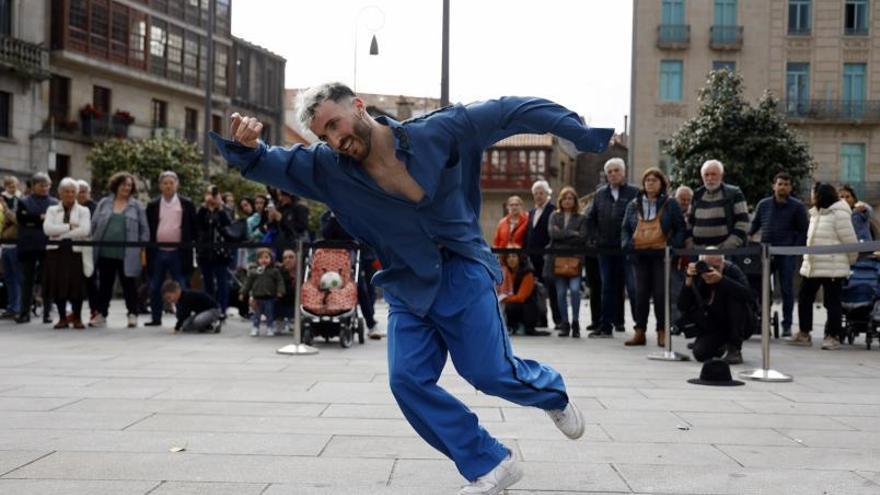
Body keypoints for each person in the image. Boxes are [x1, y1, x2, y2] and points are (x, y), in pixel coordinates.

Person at [210, 82, 613, 493]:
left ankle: (552, 393)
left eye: (335, 123)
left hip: (462, 270)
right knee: (406, 380)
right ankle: (489, 461)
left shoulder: (441, 131)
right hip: (406, 284)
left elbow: (511, 110)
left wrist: (576, 131)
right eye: (324, 135)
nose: (334, 139)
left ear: (360, 107)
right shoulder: (327, 168)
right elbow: (272, 161)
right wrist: (247, 148)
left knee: (487, 372)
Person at [621, 168, 686, 347]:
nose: (650, 183)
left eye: (654, 180)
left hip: (661, 255)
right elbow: (625, 227)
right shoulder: (634, 204)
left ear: (661, 183)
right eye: (647, 180)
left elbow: (681, 227)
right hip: (640, 255)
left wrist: (672, 247)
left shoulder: (670, 204)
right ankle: (639, 332)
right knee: (640, 294)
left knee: (660, 294)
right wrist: (627, 245)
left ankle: (662, 332)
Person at [789, 183, 858, 350]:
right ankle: (804, 333)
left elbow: (850, 241)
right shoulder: (815, 214)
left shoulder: (839, 214)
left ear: (821, 195)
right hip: (813, 265)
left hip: (833, 266)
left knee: (832, 302)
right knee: (804, 297)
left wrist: (849, 261)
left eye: (814, 194)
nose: (811, 197)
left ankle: (832, 336)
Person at [748, 172, 809, 337]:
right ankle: (763, 322)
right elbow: (754, 225)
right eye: (780, 184)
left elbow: (803, 231)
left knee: (787, 289)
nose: (783, 187)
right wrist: (747, 238)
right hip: (765, 254)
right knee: (763, 289)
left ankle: (787, 325)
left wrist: (794, 249)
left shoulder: (797, 206)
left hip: (786, 253)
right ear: (773, 186)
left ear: (790, 187)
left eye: (786, 184)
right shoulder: (763, 204)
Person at [585, 158, 638, 338]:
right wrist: (594, 238)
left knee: (631, 286)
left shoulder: (634, 192)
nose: (613, 174)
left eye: (616, 171)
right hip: (605, 248)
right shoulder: (600, 194)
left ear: (623, 172)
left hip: (627, 248)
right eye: (610, 172)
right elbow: (590, 218)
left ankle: (639, 327)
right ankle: (606, 326)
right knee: (607, 286)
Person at [91, 172, 149, 328]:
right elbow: (94, 224)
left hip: (128, 253)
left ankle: (132, 314)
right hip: (105, 252)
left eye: (129, 185)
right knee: (105, 285)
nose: (127, 188)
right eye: (124, 184)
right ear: (116, 185)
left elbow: (144, 229)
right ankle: (101, 314)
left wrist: (142, 246)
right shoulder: (104, 203)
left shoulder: (136, 206)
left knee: (129, 285)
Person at [679, 250, 751, 364]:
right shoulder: (697, 274)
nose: (712, 271)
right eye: (709, 267)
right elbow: (683, 305)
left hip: (736, 322)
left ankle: (735, 348)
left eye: (717, 267)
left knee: (735, 296)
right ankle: (720, 346)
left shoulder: (732, 270)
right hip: (713, 324)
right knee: (700, 354)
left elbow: (748, 295)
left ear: (723, 263)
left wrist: (722, 280)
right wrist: (688, 281)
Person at [145, 171, 198, 327]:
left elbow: (193, 228)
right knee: (155, 286)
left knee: (182, 286)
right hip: (158, 251)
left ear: (177, 184)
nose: (168, 186)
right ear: (160, 186)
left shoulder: (186, 204)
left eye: (171, 182)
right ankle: (156, 318)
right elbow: (149, 228)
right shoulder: (153, 205)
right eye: (165, 183)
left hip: (179, 252)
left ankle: (184, 317)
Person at [320, 209, 381, 337]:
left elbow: (351, 235)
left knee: (360, 288)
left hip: (349, 259)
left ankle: (371, 323)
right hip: (329, 261)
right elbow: (326, 234)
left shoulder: (350, 213)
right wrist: (333, 217)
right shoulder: (326, 217)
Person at [42, 178, 92, 329]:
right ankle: (62, 318)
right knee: (58, 285)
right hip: (55, 252)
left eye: (72, 192)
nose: (69, 195)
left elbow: (84, 230)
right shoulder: (52, 210)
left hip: (75, 252)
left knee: (76, 286)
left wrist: (60, 233)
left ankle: (77, 317)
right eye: (66, 192)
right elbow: (48, 230)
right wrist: (70, 226)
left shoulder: (84, 210)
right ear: (60, 193)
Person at [15, 173, 57, 324]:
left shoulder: (55, 202)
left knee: (48, 280)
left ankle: (47, 313)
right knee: (27, 280)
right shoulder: (24, 201)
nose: (45, 188)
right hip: (28, 245)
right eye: (41, 185)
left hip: (48, 245)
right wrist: (41, 218)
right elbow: (23, 219)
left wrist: (36, 219)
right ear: (33, 186)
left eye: (47, 185)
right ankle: (24, 312)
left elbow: (55, 221)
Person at [547, 186, 587, 337]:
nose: (567, 201)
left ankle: (575, 322)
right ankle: (565, 323)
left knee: (575, 290)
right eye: (565, 198)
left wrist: (562, 234)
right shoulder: (554, 216)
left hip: (575, 260)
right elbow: (552, 234)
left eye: (570, 198)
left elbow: (582, 237)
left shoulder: (582, 218)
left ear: (575, 201)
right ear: (560, 200)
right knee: (561, 293)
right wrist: (572, 234)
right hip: (557, 259)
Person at [688, 160, 749, 248]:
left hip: (727, 252)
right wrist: (691, 245)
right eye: (706, 175)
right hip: (699, 251)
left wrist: (727, 246)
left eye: (713, 174)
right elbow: (689, 222)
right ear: (702, 177)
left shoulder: (734, 193)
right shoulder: (697, 195)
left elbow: (743, 223)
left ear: (721, 175)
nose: (710, 178)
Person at [525, 180, 560, 329]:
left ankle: (558, 321)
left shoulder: (553, 210)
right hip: (533, 257)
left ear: (547, 194)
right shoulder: (532, 212)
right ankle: (541, 319)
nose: (538, 196)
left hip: (548, 256)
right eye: (536, 193)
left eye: (541, 193)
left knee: (552, 289)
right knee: (536, 290)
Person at [196, 185, 233, 316]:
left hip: (221, 252)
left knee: (222, 282)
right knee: (207, 282)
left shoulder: (225, 209)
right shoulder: (202, 210)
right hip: (205, 251)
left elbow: (229, 225)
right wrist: (204, 207)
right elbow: (197, 224)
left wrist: (220, 207)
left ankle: (222, 309)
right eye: (209, 194)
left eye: (214, 195)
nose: (212, 197)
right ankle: (209, 308)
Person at [498, 248, 547, 336]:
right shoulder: (505, 271)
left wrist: (503, 298)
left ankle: (520, 325)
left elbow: (522, 297)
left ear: (519, 258)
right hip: (512, 301)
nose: (511, 259)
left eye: (514, 256)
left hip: (528, 307)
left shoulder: (527, 273)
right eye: (508, 257)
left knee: (509, 306)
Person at [240, 248, 285, 337]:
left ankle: (270, 327)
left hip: (269, 297)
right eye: (261, 258)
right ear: (257, 260)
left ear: (271, 259)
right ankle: (255, 327)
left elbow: (280, 282)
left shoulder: (274, 271)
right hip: (257, 297)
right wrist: (242, 292)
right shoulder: (253, 271)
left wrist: (280, 291)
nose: (264, 260)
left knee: (269, 313)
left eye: (266, 257)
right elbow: (248, 283)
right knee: (256, 314)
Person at [669, 185, 694, 325]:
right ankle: (676, 322)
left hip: (690, 259)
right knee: (674, 291)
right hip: (674, 257)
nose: (685, 202)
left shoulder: (695, 215)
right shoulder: (669, 213)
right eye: (681, 199)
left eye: (688, 200)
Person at [580, 193, 602, 330]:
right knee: (595, 288)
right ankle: (596, 320)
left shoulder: (604, 210)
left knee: (602, 288)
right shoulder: (588, 210)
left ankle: (604, 320)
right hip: (591, 253)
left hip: (602, 250)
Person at [1, 176, 21, 318]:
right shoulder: (2, 199)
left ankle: (17, 307)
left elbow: (17, 219)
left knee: (17, 277)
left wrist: (7, 211)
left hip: (16, 243)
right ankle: (11, 306)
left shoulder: (20, 200)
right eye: (8, 185)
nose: (11, 187)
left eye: (13, 185)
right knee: (8, 277)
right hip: (4, 244)